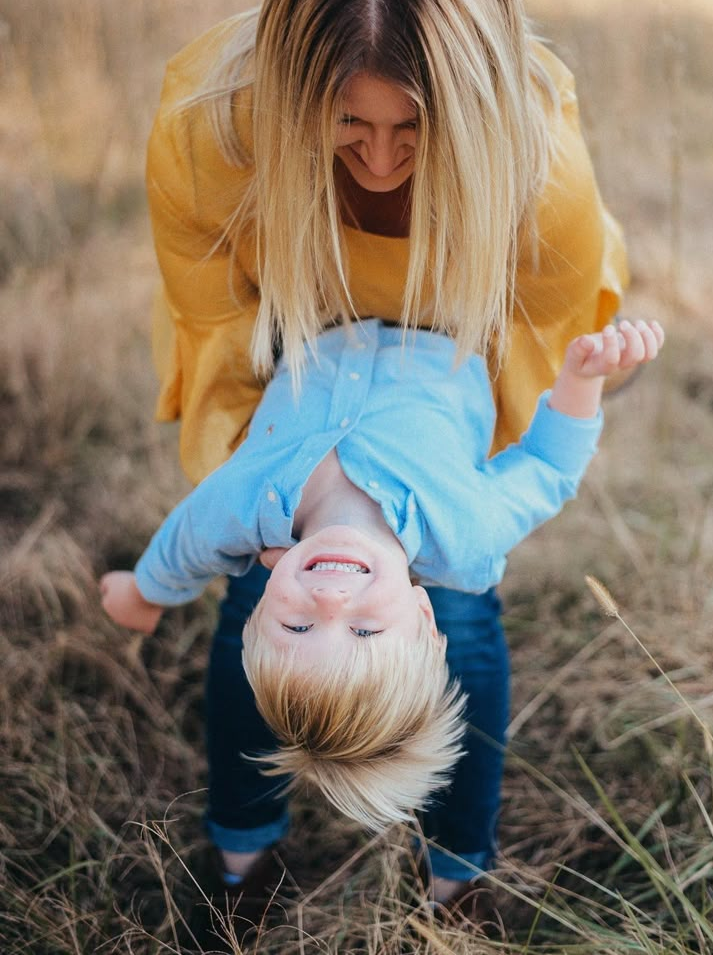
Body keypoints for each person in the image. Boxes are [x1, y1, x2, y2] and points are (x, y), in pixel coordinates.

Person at [130, 0, 631, 908]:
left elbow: (533, 367)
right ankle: (241, 850)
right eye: (347, 123)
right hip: (294, 368)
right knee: (248, 611)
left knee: (468, 618)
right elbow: (219, 328)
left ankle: (458, 871)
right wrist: (249, 494)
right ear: (287, 90)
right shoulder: (208, 134)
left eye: (416, 127)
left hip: (449, 387)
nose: (383, 157)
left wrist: (439, 513)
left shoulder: (542, 181)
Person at [101, 317, 663, 832]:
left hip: (319, 309)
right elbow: (548, 468)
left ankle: (239, 846)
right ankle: (459, 866)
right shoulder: (468, 537)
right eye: (364, 632)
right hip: (449, 313)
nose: (328, 603)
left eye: (297, 629)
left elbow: (186, 542)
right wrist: (582, 380)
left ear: (264, 598)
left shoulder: (242, 510)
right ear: (424, 614)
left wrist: (144, 593)